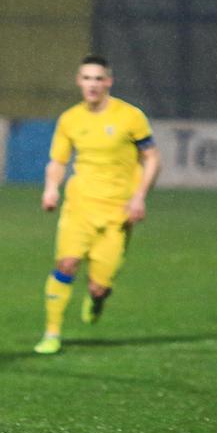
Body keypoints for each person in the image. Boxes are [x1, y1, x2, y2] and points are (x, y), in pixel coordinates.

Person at [35, 55, 161, 355]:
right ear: (79, 81)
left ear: (108, 82)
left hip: (118, 212)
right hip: (79, 207)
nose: (92, 85)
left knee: (98, 285)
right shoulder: (70, 119)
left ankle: (98, 297)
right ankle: (52, 333)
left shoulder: (130, 117)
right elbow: (58, 161)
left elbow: (152, 158)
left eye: (98, 79)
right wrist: (51, 189)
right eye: (87, 78)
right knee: (65, 264)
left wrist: (139, 196)